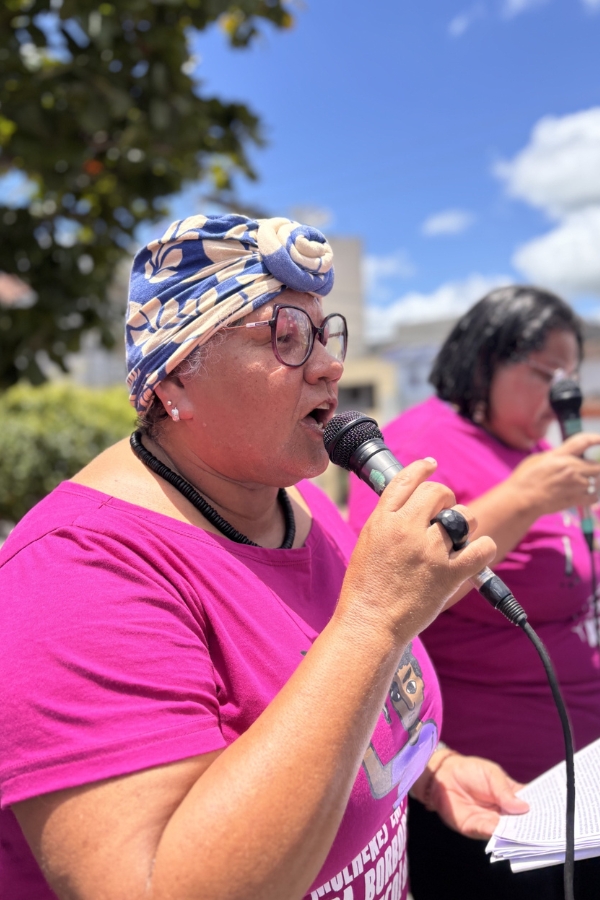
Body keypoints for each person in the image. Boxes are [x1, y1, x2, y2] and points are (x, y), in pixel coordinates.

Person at [0, 215, 527, 900]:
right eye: (285, 336)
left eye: (325, 332)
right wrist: (372, 621)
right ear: (173, 382)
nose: (330, 364)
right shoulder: (73, 574)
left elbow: (341, 713)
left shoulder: (292, 500)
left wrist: (431, 772)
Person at [349, 285, 600, 900]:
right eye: (549, 374)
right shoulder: (417, 448)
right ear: (489, 358)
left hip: (580, 781)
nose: (564, 393)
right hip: (495, 797)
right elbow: (392, 590)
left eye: (574, 375)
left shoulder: (541, 451)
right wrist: (524, 499)